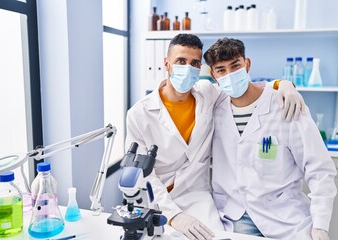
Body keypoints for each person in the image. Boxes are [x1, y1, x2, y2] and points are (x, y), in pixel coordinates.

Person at [125, 34, 304, 240]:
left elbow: (248, 88)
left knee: (215, 237)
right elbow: (142, 174)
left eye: (194, 63)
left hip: (197, 196)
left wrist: (283, 85)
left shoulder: (208, 93)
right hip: (155, 199)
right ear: (167, 64)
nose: (188, 68)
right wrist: (173, 215)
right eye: (181, 61)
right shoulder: (139, 113)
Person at [204, 37, 337, 240]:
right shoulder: (214, 105)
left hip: (285, 217)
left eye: (235, 66)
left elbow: (319, 169)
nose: (229, 75)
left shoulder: (285, 103)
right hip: (234, 216)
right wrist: (281, 82)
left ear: (247, 64)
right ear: (213, 75)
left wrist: (320, 225)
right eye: (221, 70)